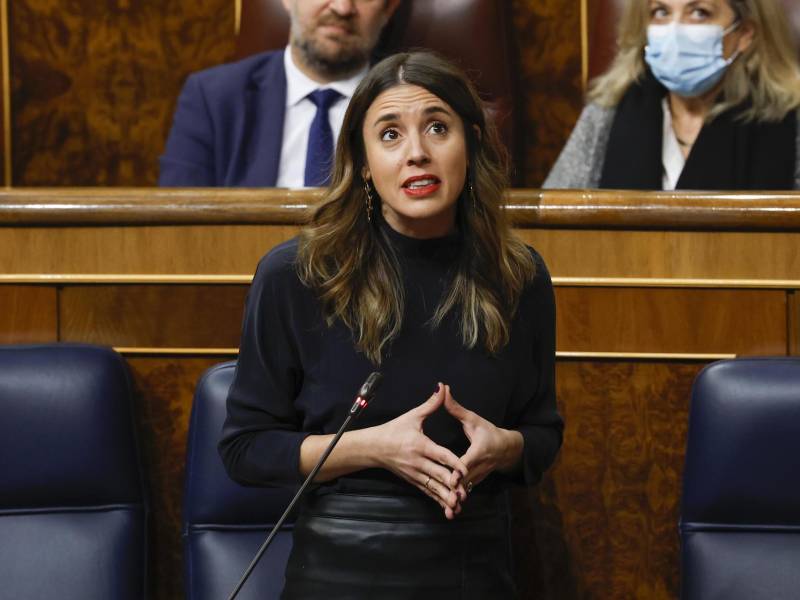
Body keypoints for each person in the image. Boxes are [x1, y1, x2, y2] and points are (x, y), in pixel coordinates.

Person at [219, 51, 564, 597]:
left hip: (472, 565)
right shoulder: (297, 275)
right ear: (362, 159)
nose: (417, 154)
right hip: (338, 567)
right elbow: (246, 449)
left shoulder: (518, 276)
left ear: (472, 145)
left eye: (436, 128)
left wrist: (506, 447)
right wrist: (372, 447)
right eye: (390, 135)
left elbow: (544, 433)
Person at [544, 0, 800, 190]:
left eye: (699, 13)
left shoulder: (790, 120)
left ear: (744, 33)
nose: (675, 31)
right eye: (661, 12)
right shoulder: (608, 111)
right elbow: (556, 224)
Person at [159, 0, 400, 187]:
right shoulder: (212, 97)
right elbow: (179, 227)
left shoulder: (408, 100)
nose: (342, 7)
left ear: (388, 10)